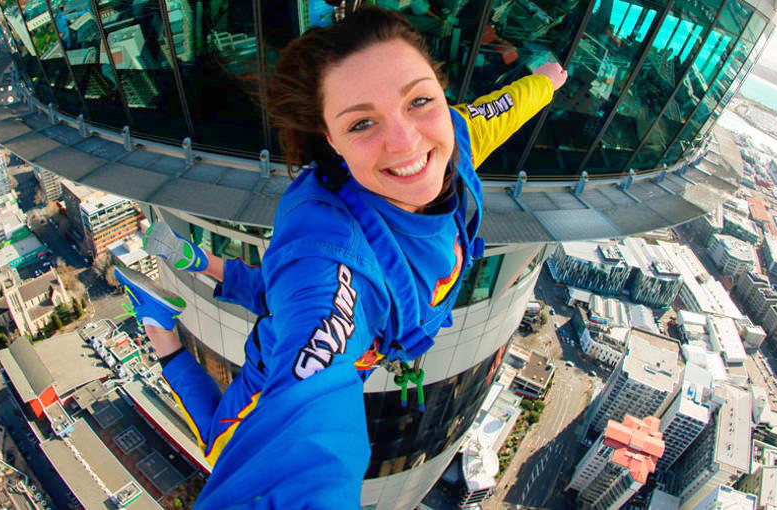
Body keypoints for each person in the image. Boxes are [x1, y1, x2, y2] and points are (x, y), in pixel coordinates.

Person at [113, 7, 566, 507]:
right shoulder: (333, 252)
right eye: (362, 123)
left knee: (235, 404)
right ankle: (169, 308)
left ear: (440, 95)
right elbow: (305, 437)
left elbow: (498, 111)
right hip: (285, 361)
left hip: (317, 336)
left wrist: (545, 82)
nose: (405, 141)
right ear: (331, 141)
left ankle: (175, 296)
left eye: (419, 100)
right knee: (228, 432)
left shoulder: (452, 139)